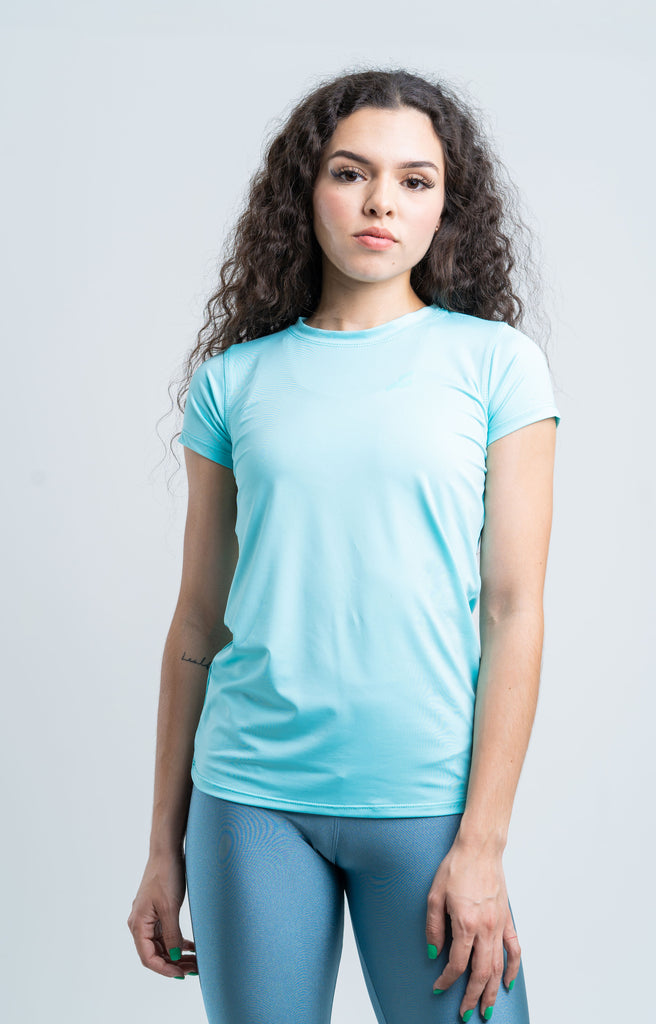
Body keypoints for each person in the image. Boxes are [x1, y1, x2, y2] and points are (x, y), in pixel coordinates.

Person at [127, 67, 561, 1024]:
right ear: (305, 191)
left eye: (414, 180)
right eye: (350, 172)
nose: (380, 203)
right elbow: (198, 621)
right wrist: (164, 846)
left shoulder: (496, 365)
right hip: (248, 803)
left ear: (445, 206)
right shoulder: (232, 382)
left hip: (427, 804)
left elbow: (512, 610)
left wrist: (482, 845)